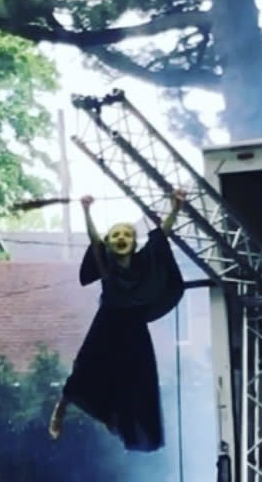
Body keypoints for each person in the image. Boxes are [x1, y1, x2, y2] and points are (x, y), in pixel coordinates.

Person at [47, 190, 186, 451]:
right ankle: (62, 407)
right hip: (108, 321)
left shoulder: (144, 262)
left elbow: (161, 236)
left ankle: (120, 421)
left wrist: (175, 208)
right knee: (86, 368)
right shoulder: (106, 263)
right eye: (116, 235)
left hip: (133, 324)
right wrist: (87, 211)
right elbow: (93, 237)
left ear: (134, 242)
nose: (121, 238)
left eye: (127, 235)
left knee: (137, 380)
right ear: (109, 243)